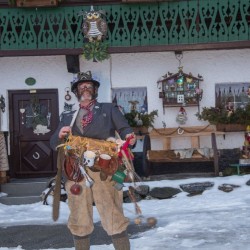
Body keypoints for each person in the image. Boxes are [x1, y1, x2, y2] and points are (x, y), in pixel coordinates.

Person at [50, 71, 136, 250]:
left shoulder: (108, 109)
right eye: (81, 86)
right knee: (79, 216)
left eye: (89, 86)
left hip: (104, 169)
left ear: (95, 89)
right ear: (76, 91)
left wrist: (129, 136)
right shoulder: (67, 115)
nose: (85, 88)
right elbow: (53, 142)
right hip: (75, 170)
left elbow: (125, 128)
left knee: (112, 212)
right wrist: (59, 135)